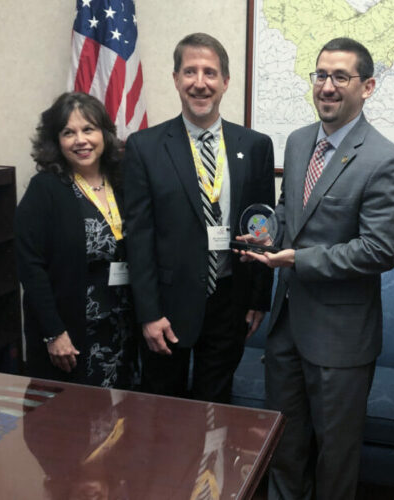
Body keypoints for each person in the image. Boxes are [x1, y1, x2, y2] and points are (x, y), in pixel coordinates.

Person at [241, 38, 394, 499]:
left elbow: (378, 250)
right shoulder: (299, 142)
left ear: (368, 86)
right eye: (320, 75)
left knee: (335, 456)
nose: (328, 87)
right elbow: (287, 211)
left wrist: (297, 258)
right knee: (284, 444)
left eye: (341, 76)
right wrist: (268, 233)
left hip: (341, 339)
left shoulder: (385, 160)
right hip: (285, 330)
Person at [122, 33, 275, 403]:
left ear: (225, 82)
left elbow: (264, 226)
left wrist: (257, 299)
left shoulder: (255, 146)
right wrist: (148, 313)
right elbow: (139, 238)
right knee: (163, 411)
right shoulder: (144, 147)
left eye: (210, 72)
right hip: (168, 306)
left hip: (230, 303)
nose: (200, 82)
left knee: (216, 408)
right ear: (176, 79)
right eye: (190, 71)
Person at [15, 92, 138, 389]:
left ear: (104, 134)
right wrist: (53, 333)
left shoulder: (123, 181)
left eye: (88, 130)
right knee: (71, 424)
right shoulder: (45, 189)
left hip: (122, 328)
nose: (80, 140)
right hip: (71, 334)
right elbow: (30, 267)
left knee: (121, 419)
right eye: (68, 132)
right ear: (56, 141)